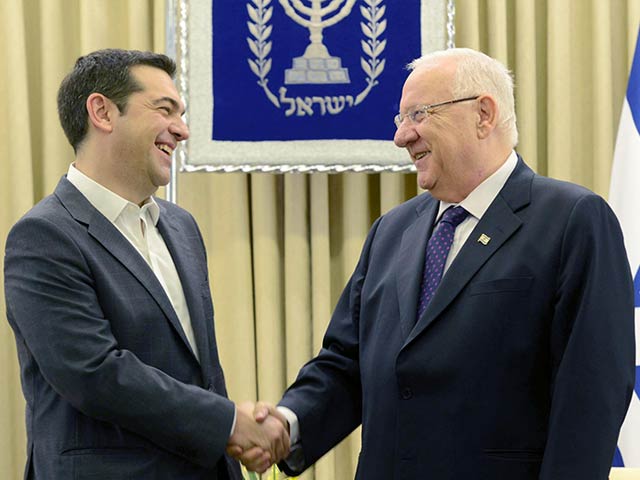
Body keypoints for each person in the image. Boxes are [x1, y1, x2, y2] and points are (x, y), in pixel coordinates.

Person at [232, 48, 636, 479]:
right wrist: (287, 423)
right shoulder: (393, 230)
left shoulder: (572, 220)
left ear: (483, 113)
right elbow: (345, 364)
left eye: (419, 114)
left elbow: (591, 395)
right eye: (400, 119)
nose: (402, 136)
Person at [4, 49, 288, 479]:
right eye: (165, 110)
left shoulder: (180, 227)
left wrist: (232, 438)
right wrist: (229, 422)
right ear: (102, 112)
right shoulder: (44, 236)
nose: (182, 129)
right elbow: (93, 373)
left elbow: (199, 370)